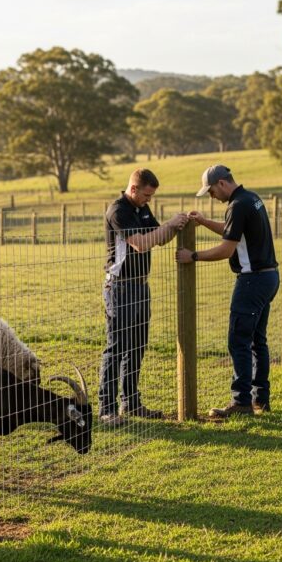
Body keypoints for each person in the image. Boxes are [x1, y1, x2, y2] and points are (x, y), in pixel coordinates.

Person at [176, 165, 279, 417]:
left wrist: (193, 256)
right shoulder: (250, 198)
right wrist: (203, 221)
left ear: (221, 183)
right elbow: (231, 229)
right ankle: (260, 399)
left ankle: (241, 402)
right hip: (269, 277)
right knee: (257, 341)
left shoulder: (237, 205)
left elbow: (226, 250)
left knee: (238, 341)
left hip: (252, 281)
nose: (212, 196)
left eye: (211, 191)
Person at [99, 169, 188, 426]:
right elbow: (141, 244)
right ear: (134, 189)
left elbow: (158, 237)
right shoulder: (119, 211)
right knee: (115, 348)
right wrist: (170, 225)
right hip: (119, 288)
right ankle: (107, 409)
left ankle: (132, 403)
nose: (149, 199)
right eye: (147, 195)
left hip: (140, 286)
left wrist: (179, 225)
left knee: (137, 346)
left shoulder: (142, 209)